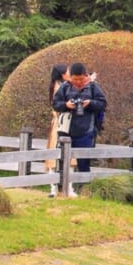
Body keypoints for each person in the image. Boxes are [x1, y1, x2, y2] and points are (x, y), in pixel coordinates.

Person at [52, 64, 107, 197]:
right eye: (75, 79)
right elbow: (55, 104)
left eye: (81, 79)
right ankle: (61, 190)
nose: (78, 82)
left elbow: (103, 104)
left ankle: (84, 191)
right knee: (62, 161)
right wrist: (66, 105)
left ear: (85, 75)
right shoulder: (65, 86)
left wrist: (90, 103)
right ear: (71, 77)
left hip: (86, 130)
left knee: (84, 162)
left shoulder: (93, 87)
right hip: (66, 130)